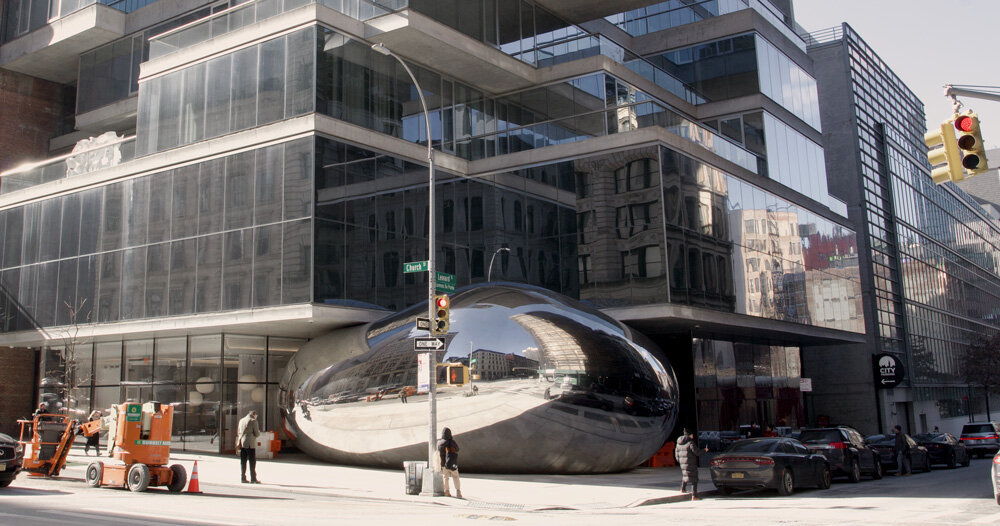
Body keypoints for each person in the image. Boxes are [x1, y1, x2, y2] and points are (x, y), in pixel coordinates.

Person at [675, 428, 708, 500]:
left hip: (683, 463)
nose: (693, 436)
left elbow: (676, 454)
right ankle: (694, 496)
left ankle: (683, 489)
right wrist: (704, 450)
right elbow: (696, 452)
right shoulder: (690, 443)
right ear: (690, 435)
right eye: (692, 435)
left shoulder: (678, 443)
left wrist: (680, 461)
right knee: (694, 479)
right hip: (691, 463)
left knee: (685, 475)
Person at [237, 410, 261, 483]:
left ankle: (243, 478)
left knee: (243, 461)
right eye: (256, 416)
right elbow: (256, 434)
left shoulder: (241, 420)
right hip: (250, 444)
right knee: (252, 461)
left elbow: (239, 432)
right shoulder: (253, 421)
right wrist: (258, 432)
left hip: (242, 443)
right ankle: (253, 478)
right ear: (254, 414)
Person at [437, 427, 462, 498]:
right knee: (456, 476)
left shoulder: (440, 443)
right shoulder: (452, 442)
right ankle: (458, 492)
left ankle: (447, 491)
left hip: (444, 464)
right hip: (452, 463)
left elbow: (438, 450)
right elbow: (457, 449)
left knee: (446, 477)